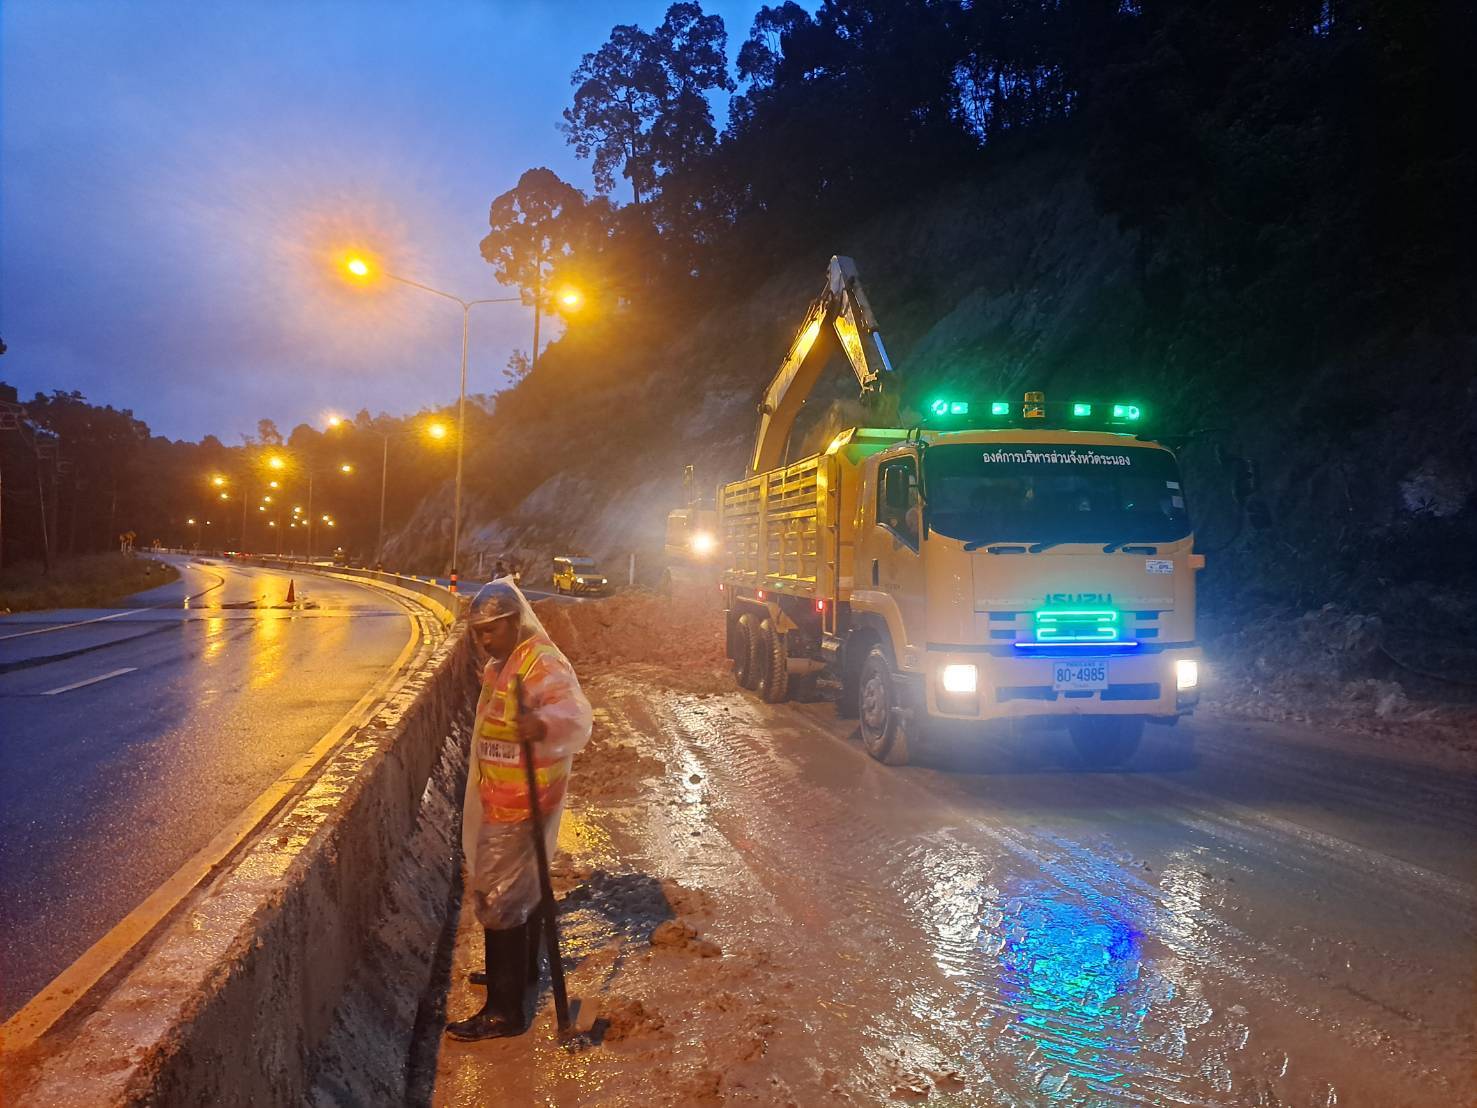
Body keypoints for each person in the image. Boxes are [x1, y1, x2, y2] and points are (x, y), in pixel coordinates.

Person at [447, 581, 592, 1041]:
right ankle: (517, 973)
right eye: (478, 632)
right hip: (505, 796)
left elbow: (577, 717)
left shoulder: (540, 662)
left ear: (513, 622)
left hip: (523, 802)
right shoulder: (503, 664)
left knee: (498, 899)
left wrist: (543, 724)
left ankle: (503, 1011)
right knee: (520, 892)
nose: (483, 640)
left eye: (490, 630)